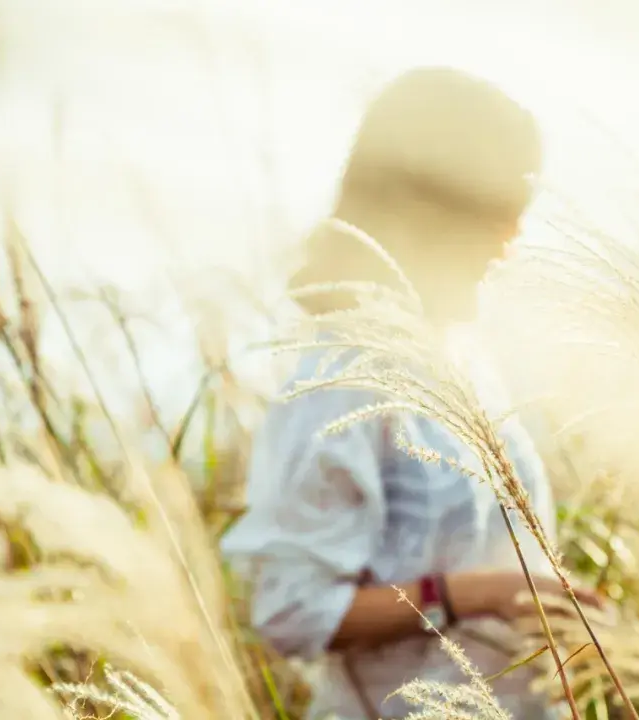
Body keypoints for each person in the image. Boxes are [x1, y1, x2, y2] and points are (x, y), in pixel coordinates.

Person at [221, 66, 601, 720]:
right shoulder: (340, 375)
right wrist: (476, 594)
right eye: (499, 213)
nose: (512, 243)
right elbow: (291, 610)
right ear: (431, 209)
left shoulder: (463, 359)